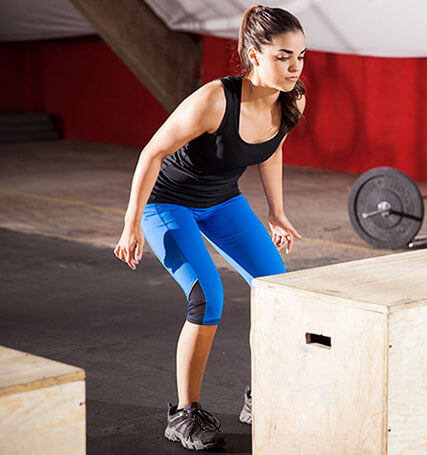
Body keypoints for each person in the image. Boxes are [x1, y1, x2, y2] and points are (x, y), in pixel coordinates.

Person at [113, 6, 306, 451]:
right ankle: (184, 413)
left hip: (222, 201)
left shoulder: (292, 98)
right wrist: (130, 225)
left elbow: (272, 147)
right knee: (207, 296)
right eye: (283, 56)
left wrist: (276, 211)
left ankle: (262, 392)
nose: (294, 67)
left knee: (279, 291)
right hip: (167, 204)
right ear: (254, 56)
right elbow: (151, 153)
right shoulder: (214, 100)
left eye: (300, 55)